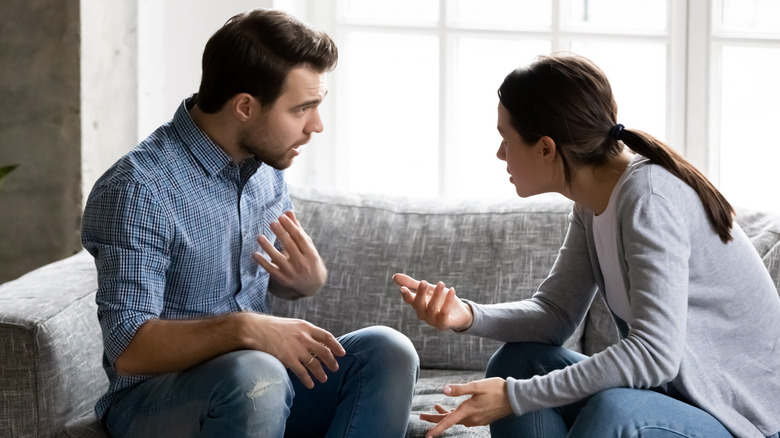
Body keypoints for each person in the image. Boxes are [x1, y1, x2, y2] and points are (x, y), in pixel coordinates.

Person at [393, 52, 780, 438]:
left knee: (616, 411)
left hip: (744, 423)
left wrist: (515, 396)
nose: (499, 154)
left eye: (505, 140)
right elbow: (554, 313)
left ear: (546, 148)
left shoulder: (649, 199)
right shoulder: (591, 202)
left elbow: (654, 355)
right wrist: (467, 315)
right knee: (518, 361)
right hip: (679, 401)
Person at [82, 9, 418, 438]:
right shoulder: (138, 189)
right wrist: (247, 329)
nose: (316, 125)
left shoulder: (264, 163)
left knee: (387, 351)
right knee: (256, 373)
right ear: (245, 107)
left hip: (262, 389)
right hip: (156, 400)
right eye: (302, 109)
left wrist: (304, 281)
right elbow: (128, 349)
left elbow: (246, 278)